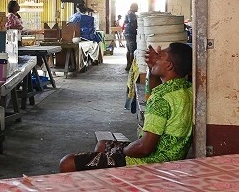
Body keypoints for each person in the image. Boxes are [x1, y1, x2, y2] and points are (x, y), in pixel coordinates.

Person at [59, 42, 193, 172]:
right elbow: (154, 91)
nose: (156, 57)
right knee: (102, 145)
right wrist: (152, 67)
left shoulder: (161, 99)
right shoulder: (185, 88)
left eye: (161, 56)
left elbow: (144, 148)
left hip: (150, 163)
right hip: (170, 156)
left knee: (67, 162)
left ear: (169, 66)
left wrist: (123, 152)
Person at [123, 3, 139, 71]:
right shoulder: (131, 14)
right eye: (137, 7)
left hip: (127, 33)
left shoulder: (128, 13)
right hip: (131, 33)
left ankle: (128, 65)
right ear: (133, 7)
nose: (137, 9)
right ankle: (131, 66)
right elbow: (133, 24)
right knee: (132, 50)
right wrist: (138, 27)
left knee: (129, 50)